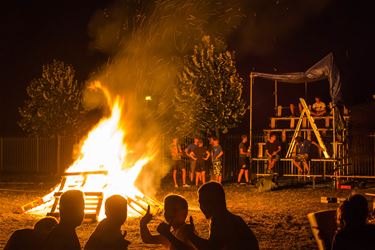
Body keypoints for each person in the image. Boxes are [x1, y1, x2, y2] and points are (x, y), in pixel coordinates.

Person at [187, 181, 259, 250]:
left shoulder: (220, 221)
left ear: (215, 202)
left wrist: (190, 235)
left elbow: (211, 248)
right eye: (200, 202)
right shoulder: (234, 218)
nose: (201, 206)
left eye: (205, 202)